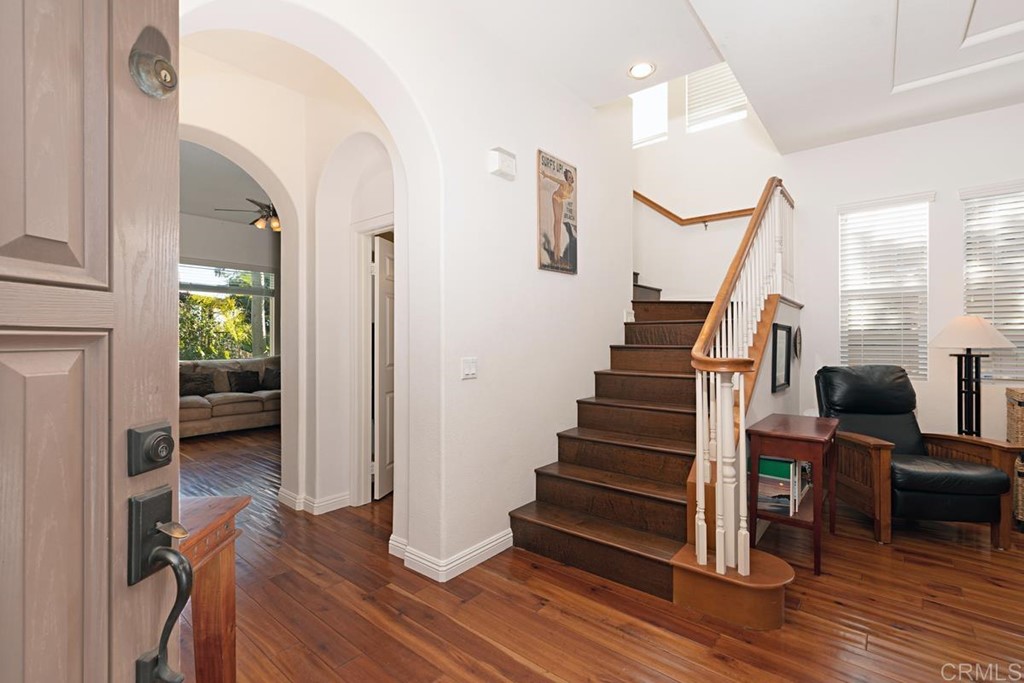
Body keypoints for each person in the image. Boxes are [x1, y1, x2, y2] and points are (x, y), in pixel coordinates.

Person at [540, 167, 575, 264]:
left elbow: (565, 196)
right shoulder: (563, 183)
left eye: (571, 177)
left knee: (559, 222)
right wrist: (546, 175)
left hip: (560, 200)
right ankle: (556, 245)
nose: (571, 179)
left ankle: (558, 245)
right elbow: (554, 179)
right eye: (569, 177)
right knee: (557, 220)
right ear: (566, 178)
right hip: (555, 197)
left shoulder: (571, 188)